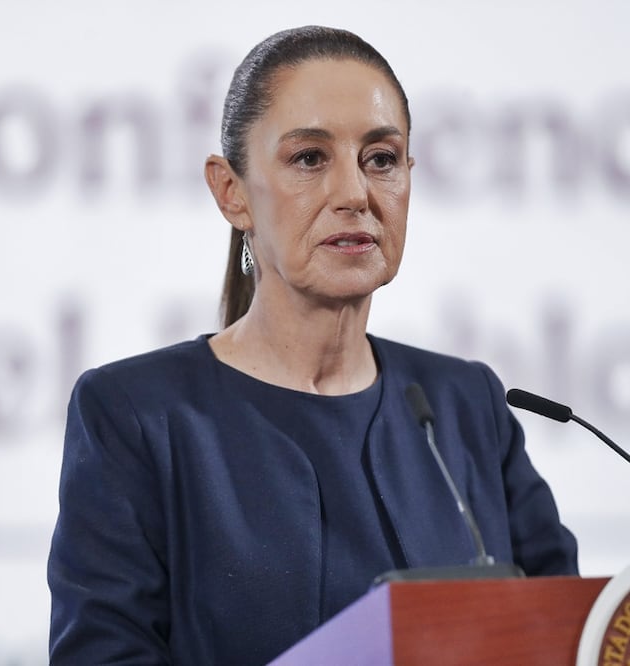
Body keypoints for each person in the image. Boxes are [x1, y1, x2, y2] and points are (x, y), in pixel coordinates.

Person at [47, 25, 578, 665]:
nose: (354, 193)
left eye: (381, 159)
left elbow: (568, 634)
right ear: (231, 191)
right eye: (309, 159)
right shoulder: (136, 415)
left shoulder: (467, 407)